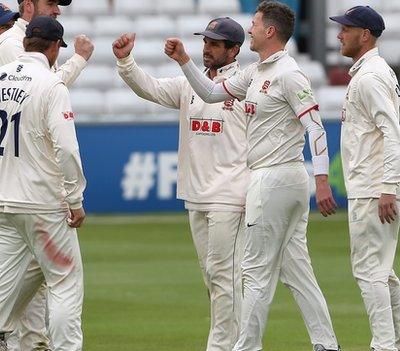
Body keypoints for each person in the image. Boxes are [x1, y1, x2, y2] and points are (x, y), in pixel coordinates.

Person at [164, 1, 340, 350]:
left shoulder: (289, 74)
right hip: (277, 179)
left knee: (254, 272)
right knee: (297, 271)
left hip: (275, 177)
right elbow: (212, 92)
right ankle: (326, 344)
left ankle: (245, 347)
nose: (250, 30)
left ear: (270, 31)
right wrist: (185, 61)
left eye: (256, 24)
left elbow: (316, 128)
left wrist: (322, 180)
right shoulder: (256, 72)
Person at [113, 18, 249, 351]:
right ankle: (239, 343)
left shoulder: (246, 84)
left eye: (215, 44)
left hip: (230, 196)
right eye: (206, 41)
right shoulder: (193, 82)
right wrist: (125, 62)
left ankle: (223, 346)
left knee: (224, 279)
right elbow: (152, 88)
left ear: (234, 50)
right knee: (213, 279)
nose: (207, 48)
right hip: (196, 196)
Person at [0, 1, 93, 349]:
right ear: (54, 48)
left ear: (24, 43)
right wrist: (75, 199)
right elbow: (67, 149)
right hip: (41, 204)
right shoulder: (52, 86)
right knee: (64, 282)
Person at [330, 6, 400, 351]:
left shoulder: (370, 77)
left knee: (368, 270)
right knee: (382, 271)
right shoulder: (373, 72)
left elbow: (392, 132)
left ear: (365, 35)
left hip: (374, 188)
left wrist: (388, 186)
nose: (339, 35)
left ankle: (384, 345)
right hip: (376, 186)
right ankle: (394, 341)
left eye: (346, 29)